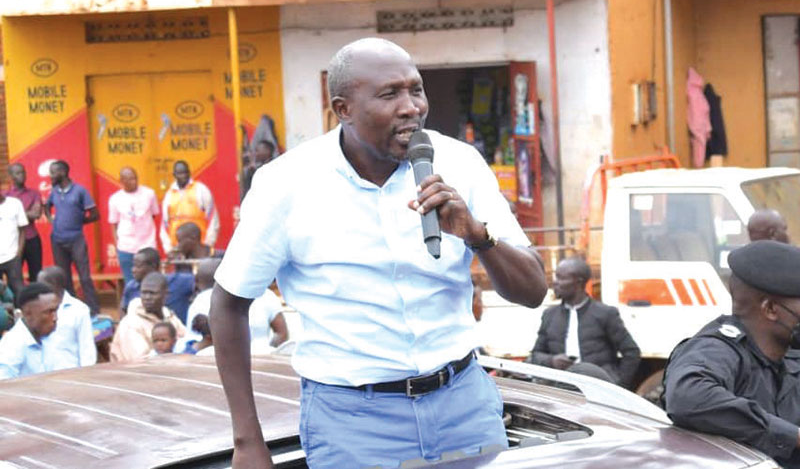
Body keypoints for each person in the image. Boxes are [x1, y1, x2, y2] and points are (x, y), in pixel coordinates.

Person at [210, 38, 547, 469]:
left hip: (463, 404)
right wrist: (247, 441)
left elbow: (534, 291)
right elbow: (229, 303)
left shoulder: (459, 163)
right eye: (390, 94)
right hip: (353, 419)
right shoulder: (286, 184)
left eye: (416, 89)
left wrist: (478, 236)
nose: (411, 107)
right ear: (343, 108)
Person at [663, 240, 800, 468]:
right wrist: (791, 435)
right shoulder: (717, 350)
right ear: (770, 309)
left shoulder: (790, 355)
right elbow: (687, 396)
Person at [527, 257, 641, 388]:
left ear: (579, 283)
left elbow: (631, 352)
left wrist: (618, 385)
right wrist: (551, 361)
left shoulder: (605, 313)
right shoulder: (549, 315)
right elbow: (536, 355)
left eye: (561, 278)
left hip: (599, 389)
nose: (555, 283)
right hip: (562, 390)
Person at [184, 258, 287, 353]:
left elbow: (282, 333)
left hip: (263, 360)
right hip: (213, 361)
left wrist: (268, 351)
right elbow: (195, 339)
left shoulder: (266, 295)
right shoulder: (203, 299)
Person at [44, 160, 100, 315]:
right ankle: (70, 309)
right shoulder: (54, 191)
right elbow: (46, 207)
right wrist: (52, 221)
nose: (51, 175)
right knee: (63, 277)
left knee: (84, 277)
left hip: (76, 239)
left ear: (63, 172)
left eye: (53, 172)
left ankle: (94, 310)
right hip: (57, 240)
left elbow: (95, 215)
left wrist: (79, 220)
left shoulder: (80, 191)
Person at [110, 271, 186, 362]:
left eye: (152, 293)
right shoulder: (130, 324)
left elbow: (185, 340)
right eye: (144, 293)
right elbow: (141, 362)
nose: (147, 297)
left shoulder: (168, 315)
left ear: (166, 295)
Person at [108, 166, 160, 285]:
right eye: (129, 179)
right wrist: (118, 244)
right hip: (126, 247)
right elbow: (114, 223)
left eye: (135, 178)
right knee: (130, 282)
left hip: (148, 244)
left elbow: (153, 215)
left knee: (151, 280)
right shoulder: (115, 199)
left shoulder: (149, 194)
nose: (134, 182)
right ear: (121, 181)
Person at [38, 266, 96, 369]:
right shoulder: (35, 309)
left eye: (41, 285)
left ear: (55, 285)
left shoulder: (79, 310)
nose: (38, 289)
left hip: (69, 375)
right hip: (40, 376)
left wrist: (86, 376)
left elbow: (87, 348)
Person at [0, 283, 59, 379]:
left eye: (56, 310)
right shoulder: (13, 344)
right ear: (27, 313)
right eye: (48, 312)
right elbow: (3, 386)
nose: (55, 318)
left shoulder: (50, 337)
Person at [120, 247, 194, 324]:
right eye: (144, 293)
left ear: (153, 266)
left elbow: (202, 281)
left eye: (138, 266)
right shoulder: (131, 287)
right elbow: (123, 311)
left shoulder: (179, 281)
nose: (133, 270)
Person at [159, 160, 219, 254]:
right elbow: (165, 226)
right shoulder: (169, 195)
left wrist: (208, 244)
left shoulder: (201, 190)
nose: (184, 176)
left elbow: (213, 220)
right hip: (178, 251)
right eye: (180, 173)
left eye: (186, 172)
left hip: (199, 249)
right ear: (174, 175)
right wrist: (169, 250)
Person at [7, 163, 43, 282]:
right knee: (15, 276)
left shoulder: (34, 193)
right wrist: (27, 213)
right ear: (11, 176)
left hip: (32, 239)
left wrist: (14, 213)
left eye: (23, 172)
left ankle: (36, 300)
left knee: (36, 274)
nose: (22, 175)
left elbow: (36, 214)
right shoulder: (5, 196)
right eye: (17, 173)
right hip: (12, 241)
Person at [0, 186, 28, 300]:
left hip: (12, 257)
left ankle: (21, 315)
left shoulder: (14, 203)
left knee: (18, 289)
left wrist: (19, 253)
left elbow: (22, 230)